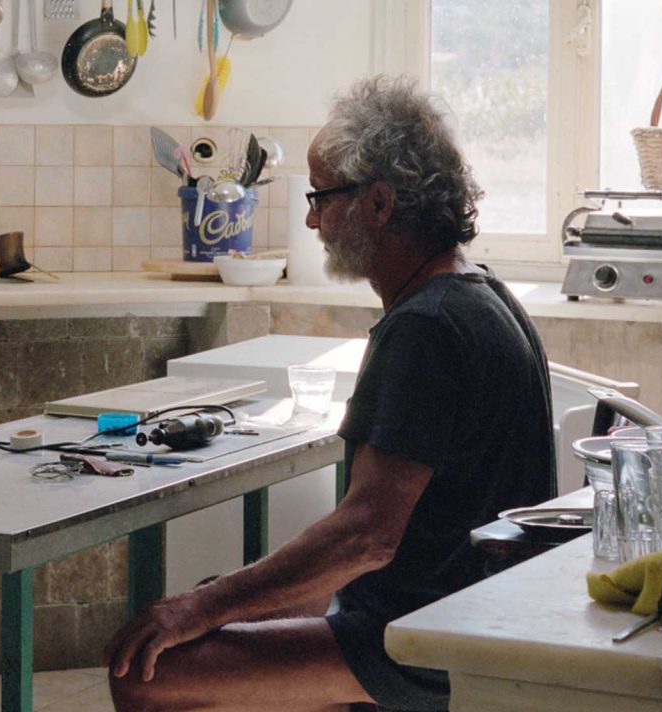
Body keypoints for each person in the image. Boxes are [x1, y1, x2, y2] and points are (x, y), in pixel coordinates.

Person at [107, 76, 556, 711]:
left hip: (429, 638)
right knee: (220, 608)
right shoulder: (480, 292)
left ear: (378, 203)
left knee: (144, 672)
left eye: (321, 197)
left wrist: (202, 608)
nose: (313, 219)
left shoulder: (426, 327)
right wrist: (223, 602)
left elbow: (366, 539)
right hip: (460, 605)